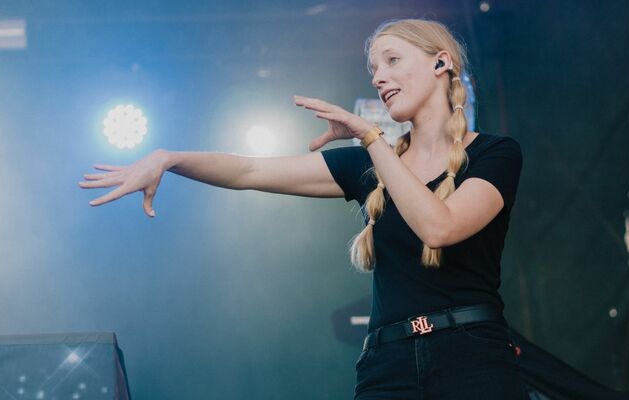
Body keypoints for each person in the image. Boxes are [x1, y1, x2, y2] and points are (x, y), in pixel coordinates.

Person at [80, 18, 523, 400]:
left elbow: (439, 227)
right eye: (372, 69)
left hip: (473, 358)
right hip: (388, 366)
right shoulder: (368, 166)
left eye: (391, 61)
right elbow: (248, 172)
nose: (377, 77)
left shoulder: (496, 154)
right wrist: (170, 158)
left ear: (441, 63)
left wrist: (370, 138)